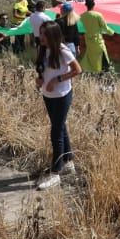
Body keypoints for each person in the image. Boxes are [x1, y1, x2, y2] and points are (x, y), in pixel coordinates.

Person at [35, 21, 81, 190]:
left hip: (62, 96)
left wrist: (58, 79)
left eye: (44, 34)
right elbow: (42, 69)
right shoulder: (42, 48)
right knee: (60, 127)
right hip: (48, 96)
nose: (41, 37)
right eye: (41, 33)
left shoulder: (63, 51)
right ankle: (68, 162)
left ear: (52, 36)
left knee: (56, 132)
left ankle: (56, 172)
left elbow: (78, 69)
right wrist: (40, 80)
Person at [78, 0, 115, 76]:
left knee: (91, 55)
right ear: (93, 5)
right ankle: (103, 73)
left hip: (88, 38)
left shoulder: (82, 15)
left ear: (86, 5)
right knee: (101, 55)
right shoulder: (98, 15)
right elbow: (104, 27)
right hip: (97, 39)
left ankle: (92, 71)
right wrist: (112, 33)